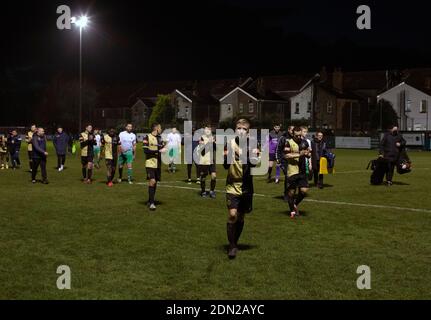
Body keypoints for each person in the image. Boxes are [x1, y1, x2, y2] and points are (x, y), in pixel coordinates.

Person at [224, 118, 260, 259]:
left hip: (246, 187)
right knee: (233, 215)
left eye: (244, 129)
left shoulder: (253, 145)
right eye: (238, 128)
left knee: (241, 216)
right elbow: (226, 166)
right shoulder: (229, 143)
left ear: (248, 132)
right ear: (235, 130)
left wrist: (240, 153)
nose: (241, 130)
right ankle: (232, 246)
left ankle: (234, 242)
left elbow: (253, 163)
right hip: (232, 184)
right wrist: (226, 156)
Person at [279, 127, 311, 218]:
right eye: (297, 135)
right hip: (292, 171)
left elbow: (308, 153)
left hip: (302, 170)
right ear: (293, 134)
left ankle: (295, 204)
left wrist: (308, 154)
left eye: (300, 135)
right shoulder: (288, 142)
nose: (299, 137)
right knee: (291, 192)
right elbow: (286, 155)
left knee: (304, 191)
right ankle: (292, 211)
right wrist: (299, 154)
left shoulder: (304, 142)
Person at [143, 123, 167, 211]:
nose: (161, 129)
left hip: (158, 164)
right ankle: (152, 203)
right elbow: (146, 150)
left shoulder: (161, 138)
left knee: (155, 182)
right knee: (152, 181)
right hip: (150, 163)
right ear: (156, 128)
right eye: (160, 127)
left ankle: (150, 200)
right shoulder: (147, 137)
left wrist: (166, 150)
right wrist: (158, 151)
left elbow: (163, 149)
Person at [196, 124, 217, 198]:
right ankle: (203, 191)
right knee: (203, 177)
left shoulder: (213, 138)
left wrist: (214, 143)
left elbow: (216, 149)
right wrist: (209, 143)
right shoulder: (201, 138)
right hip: (204, 161)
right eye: (206, 129)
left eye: (209, 129)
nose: (207, 130)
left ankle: (212, 191)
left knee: (214, 176)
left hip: (211, 161)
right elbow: (203, 151)